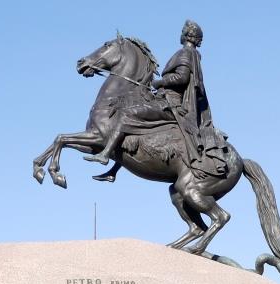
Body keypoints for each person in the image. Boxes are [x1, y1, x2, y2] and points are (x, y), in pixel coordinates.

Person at [85, 20, 226, 178]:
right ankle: (113, 171)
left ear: (188, 35)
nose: (181, 34)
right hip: (167, 99)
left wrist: (159, 82)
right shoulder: (191, 54)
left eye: (183, 31)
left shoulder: (186, 53)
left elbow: (182, 77)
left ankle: (105, 155)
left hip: (171, 104)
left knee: (127, 114)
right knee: (135, 120)